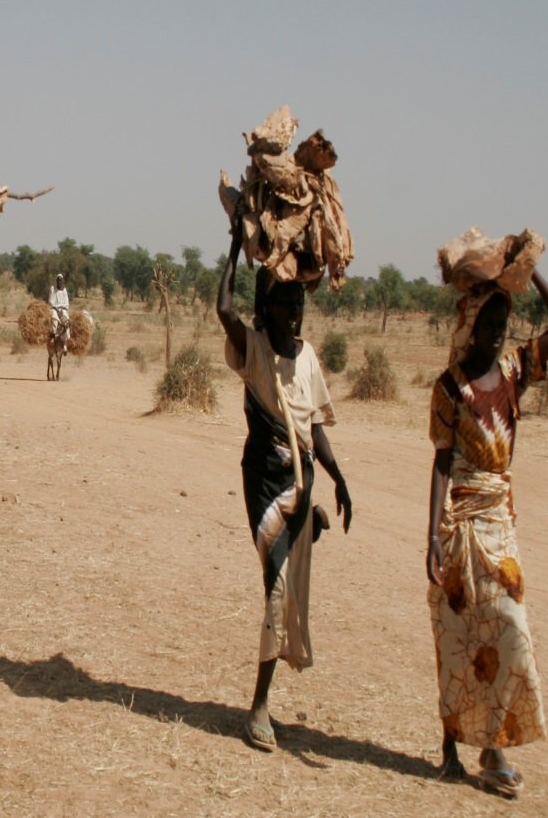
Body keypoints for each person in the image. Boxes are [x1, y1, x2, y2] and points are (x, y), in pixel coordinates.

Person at [426, 269, 548, 796]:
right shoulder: (449, 388)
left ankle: (493, 744)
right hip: (462, 522)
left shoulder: (516, 370)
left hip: (500, 521)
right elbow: (441, 464)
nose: (496, 331)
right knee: (458, 636)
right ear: (468, 325)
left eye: (502, 322)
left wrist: (529, 272)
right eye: (487, 321)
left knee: (510, 625)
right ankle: (451, 747)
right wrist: (432, 539)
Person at [218, 220, 352, 752]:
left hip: (303, 481)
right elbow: (224, 311)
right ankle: (259, 708)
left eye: (301, 306)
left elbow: (314, 426)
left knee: (287, 589)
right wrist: (234, 244)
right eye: (286, 304)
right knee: (275, 592)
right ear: (269, 307)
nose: (296, 314)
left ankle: (310, 518)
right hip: (264, 482)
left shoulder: (308, 356)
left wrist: (339, 477)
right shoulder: (252, 349)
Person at [49, 273, 70, 354]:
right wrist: (57, 309)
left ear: (62, 281)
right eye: (58, 280)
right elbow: (50, 301)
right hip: (54, 308)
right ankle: (53, 336)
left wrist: (63, 309)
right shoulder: (52, 288)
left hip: (63, 309)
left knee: (66, 321)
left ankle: (65, 344)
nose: (59, 282)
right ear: (56, 281)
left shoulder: (64, 290)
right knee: (54, 318)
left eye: (61, 281)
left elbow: (67, 302)